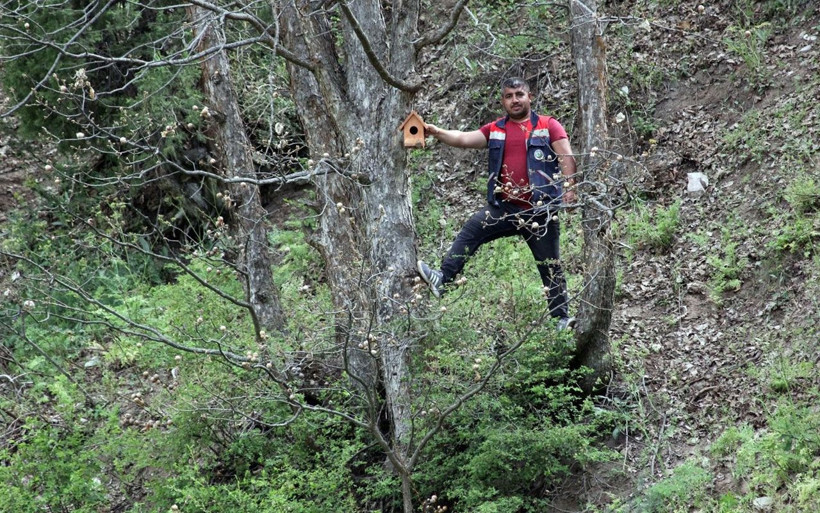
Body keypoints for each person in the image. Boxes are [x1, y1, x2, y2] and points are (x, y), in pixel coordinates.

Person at [417, 77, 577, 330]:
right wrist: (437, 133)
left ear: (529, 97)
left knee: (550, 265)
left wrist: (569, 187)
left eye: (519, 94)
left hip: (541, 210)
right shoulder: (496, 129)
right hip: (506, 208)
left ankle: (561, 320)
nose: (515, 100)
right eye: (509, 96)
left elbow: (565, 155)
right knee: (473, 228)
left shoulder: (547, 125)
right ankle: (443, 279)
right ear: (503, 101)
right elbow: (464, 139)